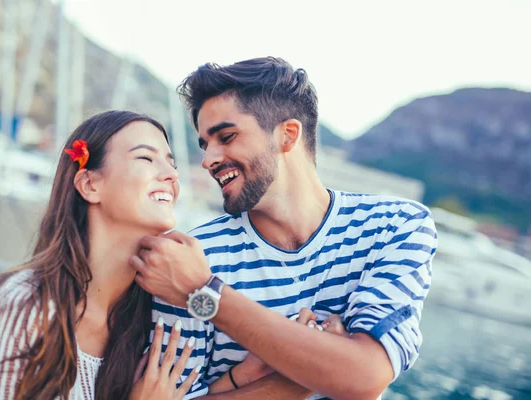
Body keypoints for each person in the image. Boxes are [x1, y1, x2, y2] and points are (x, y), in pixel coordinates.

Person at [130, 57, 438, 400]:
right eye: (205, 144)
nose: (208, 160)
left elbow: (367, 375)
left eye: (226, 136)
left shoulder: (394, 226)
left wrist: (204, 293)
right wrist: (311, 374)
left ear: (288, 135)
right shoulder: (194, 254)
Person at [0, 111, 201, 399]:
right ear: (89, 185)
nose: (172, 175)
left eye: (171, 163)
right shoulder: (27, 305)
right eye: (146, 158)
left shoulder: (157, 320)